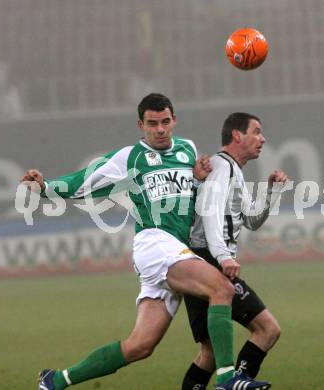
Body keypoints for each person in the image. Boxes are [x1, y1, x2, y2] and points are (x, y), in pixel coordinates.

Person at [21, 94, 270, 390]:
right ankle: (228, 378)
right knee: (221, 288)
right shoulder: (130, 157)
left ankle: (57, 380)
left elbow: (187, 194)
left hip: (177, 249)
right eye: (153, 124)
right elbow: (85, 180)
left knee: (140, 346)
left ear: (174, 120)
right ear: (141, 125)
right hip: (154, 244)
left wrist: (197, 178)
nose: (160, 129)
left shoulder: (187, 149)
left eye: (165, 121)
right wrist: (46, 187)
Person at [182, 112, 288, 390]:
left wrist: (272, 192)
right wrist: (223, 256)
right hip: (208, 259)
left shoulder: (232, 170)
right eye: (257, 131)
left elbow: (251, 220)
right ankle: (234, 384)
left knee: (212, 353)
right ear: (237, 135)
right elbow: (210, 212)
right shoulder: (221, 167)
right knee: (267, 329)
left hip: (200, 259)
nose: (262, 138)